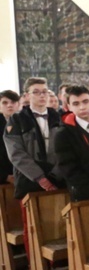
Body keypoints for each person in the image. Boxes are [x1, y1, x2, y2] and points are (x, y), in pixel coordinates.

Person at [4, 78, 65, 255]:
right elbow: (16, 153)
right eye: (36, 92)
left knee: (58, 225)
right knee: (33, 227)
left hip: (58, 178)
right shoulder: (17, 119)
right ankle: (36, 267)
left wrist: (54, 175)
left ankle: (58, 264)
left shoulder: (58, 116)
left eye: (44, 91)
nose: (41, 95)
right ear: (27, 95)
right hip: (30, 180)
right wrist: (40, 177)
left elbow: (66, 149)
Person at [0, 90, 20, 183]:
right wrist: (4, 176)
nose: (9, 105)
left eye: (13, 102)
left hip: (25, 175)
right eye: (5, 102)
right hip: (4, 176)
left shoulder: (27, 122)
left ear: (18, 104)